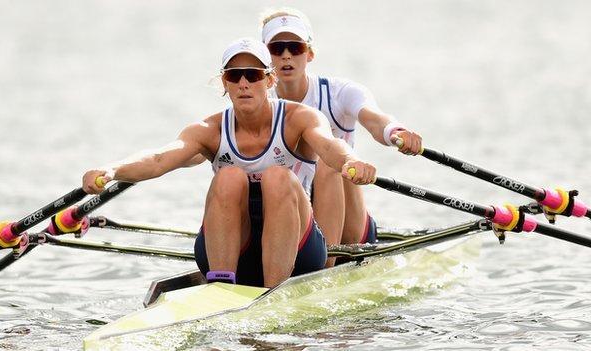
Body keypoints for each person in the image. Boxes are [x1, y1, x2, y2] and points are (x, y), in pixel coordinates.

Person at [82, 38, 377, 288]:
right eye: (235, 76)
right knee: (229, 177)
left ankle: (274, 293)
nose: (244, 83)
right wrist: (112, 171)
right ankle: (221, 286)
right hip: (234, 248)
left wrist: (351, 160)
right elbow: (160, 159)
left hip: (297, 250)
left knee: (278, 177)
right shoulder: (207, 130)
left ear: (269, 80)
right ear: (225, 82)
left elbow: (329, 145)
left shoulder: (298, 118)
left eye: (253, 74)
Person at [260, 9, 423, 266]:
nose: (286, 55)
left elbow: (374, 118)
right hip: (292, 213)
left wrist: (395, 132)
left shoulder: (339, 93)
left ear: (310, 53)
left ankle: (326, 267)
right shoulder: (255, 103)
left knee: (330, 161)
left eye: (295, 46)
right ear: (265, 56)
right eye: (276, 48)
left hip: (349, 224)